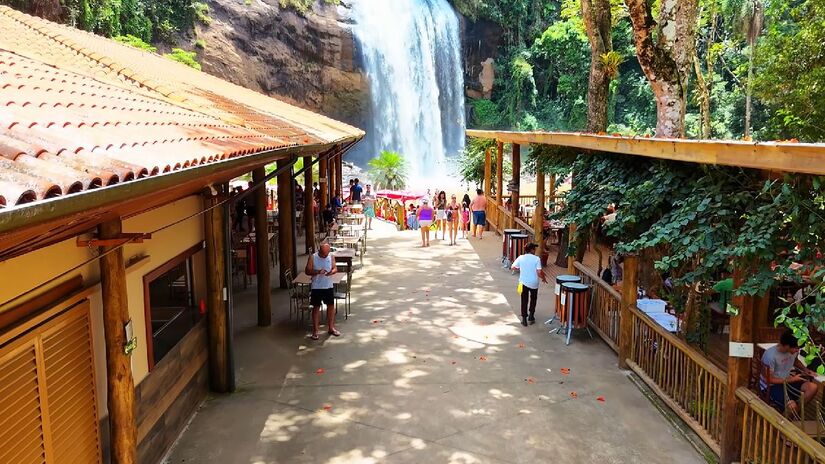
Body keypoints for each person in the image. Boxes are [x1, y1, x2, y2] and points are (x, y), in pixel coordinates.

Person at [761, 330, 819, 413]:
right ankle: (790, 413)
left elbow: (795, 361)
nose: (797, 351)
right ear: (787, 346)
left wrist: (806, 370)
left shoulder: (792, 351)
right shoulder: (770, 356)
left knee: (813, 387)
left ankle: (793, 413)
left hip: (787, 381)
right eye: (796, 348)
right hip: (771, 386)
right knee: (792, 406)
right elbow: (768, 380)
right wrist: (792, 379)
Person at [305, 243, 341, 340]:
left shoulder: (331, 256)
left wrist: (331, 272)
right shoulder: (313, 257)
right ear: (320, 251)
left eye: (327, 254)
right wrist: (317, 272)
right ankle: (315, 330)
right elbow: (307, 271)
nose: (325, 256)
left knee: (331, 307)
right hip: (316, 287)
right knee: (316, 308)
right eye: (324, 254)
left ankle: (331, 327)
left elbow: (335, 268)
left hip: (328, 285)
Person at [511, 243, 548, 326]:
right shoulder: (536, 259)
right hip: (534, 282)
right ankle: (531, 316)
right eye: (534, 249)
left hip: (523, 282)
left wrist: (520, 268)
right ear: (531, 250)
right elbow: (539, 272)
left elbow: (513, 267)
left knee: (524, 300)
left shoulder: (521, 258)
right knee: (533, 298)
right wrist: (543, 278)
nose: (535, 250)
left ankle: (524, 319)